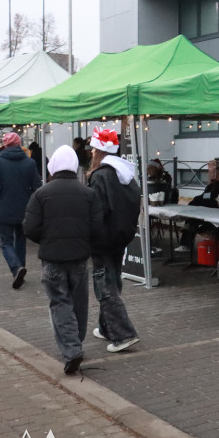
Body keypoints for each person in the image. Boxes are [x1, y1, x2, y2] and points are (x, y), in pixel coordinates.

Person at [24, 145, 103, 376]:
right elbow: (97, 228)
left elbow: (30, 227)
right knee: (78, 303)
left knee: (60, 302)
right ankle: (75, 344)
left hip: (52, 258)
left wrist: (47, 241)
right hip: (79, 257)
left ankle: (72, 349)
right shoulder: (88, 194)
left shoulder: (41, 193)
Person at [87, 128, 141, 353]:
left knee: (105, 285)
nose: (90, 152)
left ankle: (123, 334)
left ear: (98, 151)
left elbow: (96, 211)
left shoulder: (100, 176)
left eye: (93, 148)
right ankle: (106, 327)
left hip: (104, 239)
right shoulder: (125, 173)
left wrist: (91, 236)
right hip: (121, 237)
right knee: (111, 280)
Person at [0, 132, 41, 289]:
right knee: (20, 240)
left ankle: (16, 267)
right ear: (19, 144)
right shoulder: (29, 163)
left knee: (5, 241)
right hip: (24, 209)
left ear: (4, 145)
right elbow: (37, 188)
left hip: (4, 207)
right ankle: (20, 268)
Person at [175, 161, 219, 252]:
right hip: (206, 211)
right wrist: (195, 201)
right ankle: (185, 244)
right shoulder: (212, 185)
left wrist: (201, 200)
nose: (215, 175)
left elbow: (214, 200)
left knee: (215, 225)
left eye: (218, 173)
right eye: (214, 173)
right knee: (192, 218)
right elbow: (205, 196)